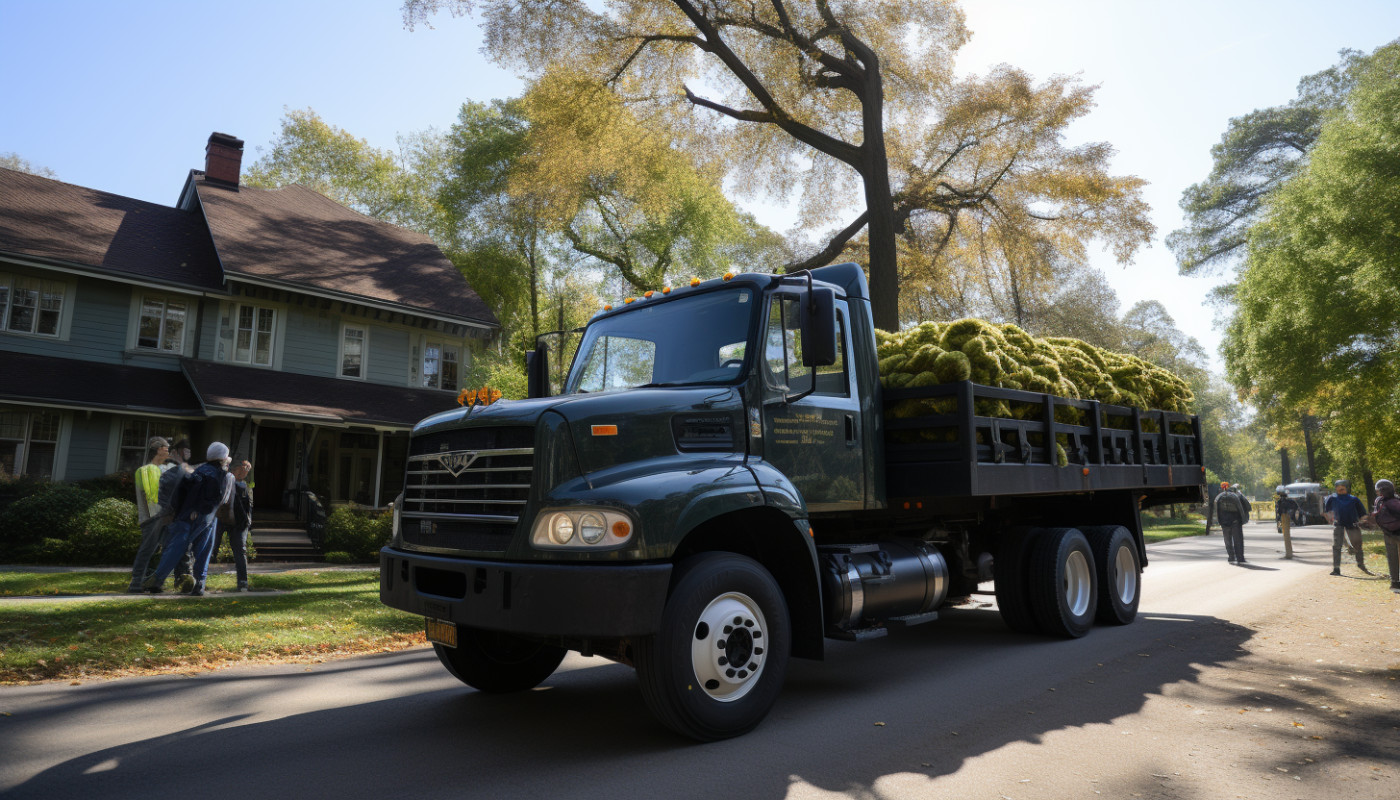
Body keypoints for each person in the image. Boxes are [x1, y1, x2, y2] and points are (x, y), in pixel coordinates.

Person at [143, 442, 236, 596]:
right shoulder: (222, 475)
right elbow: (221, 499)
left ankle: (157, 581)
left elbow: (180, 494)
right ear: (223, 458)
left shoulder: (198, 471)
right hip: (207, 517)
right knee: (203, 551)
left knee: (175, 548)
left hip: (185, 515)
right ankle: (199, 585)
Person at [126, 437, 172, 593]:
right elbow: (152, 495)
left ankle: (150, 582)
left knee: (156, 551)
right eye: (167, 448)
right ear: (159, 449)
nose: (169, 451)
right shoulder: (148, 469)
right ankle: (136, 583)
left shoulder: (157, 469)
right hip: (153, 517)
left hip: (157, 516)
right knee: (147, 550)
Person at [155, 438, 197, 593]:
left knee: (183, 551)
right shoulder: (167, 469)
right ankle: (156, 581)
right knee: (169, 549)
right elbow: (162, 493)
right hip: (170, 516)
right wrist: (166, 513)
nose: (188, 452)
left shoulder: (187, 470)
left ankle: (183, 581)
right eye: (185, 449)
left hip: (181, 516)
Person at [216, 459, 254, 591]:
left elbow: (248, 506)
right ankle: (199, 579)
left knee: (240, 551)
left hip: (239, 523)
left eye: (248, 469)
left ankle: (243, 581)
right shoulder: (224, 481)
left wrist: (247, 521)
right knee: (210, 549)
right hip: (221, 520)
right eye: (244, 468)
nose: (246, 471)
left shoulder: (245, 486)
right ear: (235, 469)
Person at [1324, 479, 1371, 576]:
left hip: (1352, 525)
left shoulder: (1354, 499)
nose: (1340, 488)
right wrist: (1330, 519)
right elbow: (1326, 511)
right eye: (1338, 486)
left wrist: (1365, 521)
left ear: (1346, 487)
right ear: (1336, 488)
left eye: (1342, 486)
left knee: (1358, 545)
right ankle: (1336, 569)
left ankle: (1361, 565)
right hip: (1339, 525)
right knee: (1337, 546)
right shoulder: (1332, 498)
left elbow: (1362, 513)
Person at [1371, 479, 1400, 593]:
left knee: (1392, 558)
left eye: (1378, 491)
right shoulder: (1394, 501)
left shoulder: (1379, 501)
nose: (1377, 493)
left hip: (1388, 533)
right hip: (1397, 533)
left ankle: (1395, 583)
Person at [1213, 481, 1251, 564]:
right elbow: (1248, 506)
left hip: (1224, 521)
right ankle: (1240, 558)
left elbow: (1216, 510)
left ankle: (1231, 557)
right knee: (1238, 540)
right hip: (1236, 520)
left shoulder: (1218, 497)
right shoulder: (1237, 495)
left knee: (1227, 540)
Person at [1274, 486, 1299, 559]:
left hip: (1285, 517)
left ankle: (1288, 554)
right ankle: (1289, 552)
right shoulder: (1290, 501)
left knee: (1286, 536)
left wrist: (1279, 519)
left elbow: (1280, 511)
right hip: (1287, 516)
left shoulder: (1282, 502)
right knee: (1287, 535)